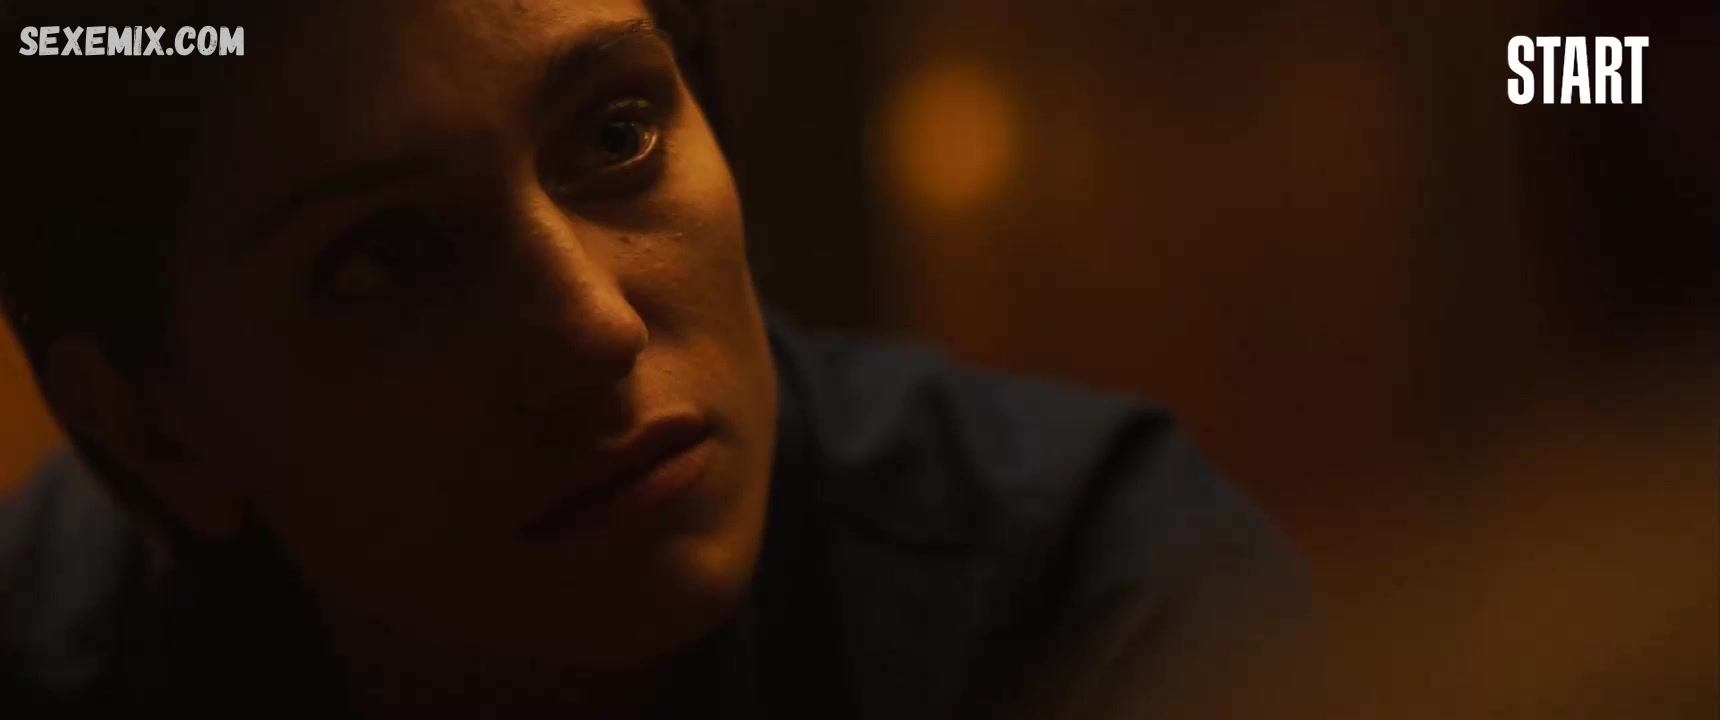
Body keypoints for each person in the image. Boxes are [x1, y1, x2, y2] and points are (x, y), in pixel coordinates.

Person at [0, 1, 1316, 717]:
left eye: (615, 133)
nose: (592, 330)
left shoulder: (1091, 596)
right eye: (383, 261)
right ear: (153, 430)